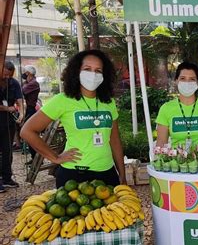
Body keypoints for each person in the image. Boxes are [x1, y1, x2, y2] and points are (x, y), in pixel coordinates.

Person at [20, 50, 126, 188]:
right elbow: (27, 131)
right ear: (76, 72)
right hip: (75, 176)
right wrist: (55, 157)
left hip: (107, 174)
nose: (93, 74)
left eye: (98, 71)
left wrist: (122, 174)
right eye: (87, 69)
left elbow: (115, 140)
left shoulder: (108, 102)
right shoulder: (63, 100)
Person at [0, 61, 23, 192]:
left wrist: (21, 114)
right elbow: (9, 107)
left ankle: (7, 178)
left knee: (8, 151)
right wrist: (7, 108)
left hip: (8, 123)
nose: (7, 77)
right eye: (5, 74)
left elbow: (20, 101)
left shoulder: (14, 83)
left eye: (10, 75)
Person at [21, 65, 40, 159]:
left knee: (29, 133)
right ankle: (34, 156)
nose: (23, 74)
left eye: (25, 72)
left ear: (28, 73)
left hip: (31, 110)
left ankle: (35, 156)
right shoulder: (30, 83)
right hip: (29, 109)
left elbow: (22, 91)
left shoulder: (33, 83)